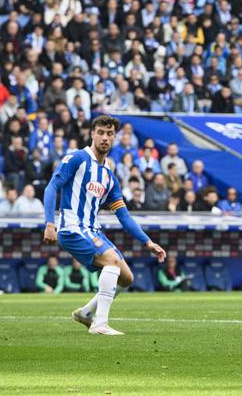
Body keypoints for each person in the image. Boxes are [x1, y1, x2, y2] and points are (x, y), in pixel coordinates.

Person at [43, 115, 166, 335]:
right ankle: (100, 324)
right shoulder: (76, 159)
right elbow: (52, 187)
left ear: (115, 138)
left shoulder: (109, 176)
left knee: (127, 277)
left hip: (93, 230)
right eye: (100, 132)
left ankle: (86, 313)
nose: (105, 138)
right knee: (112, 261)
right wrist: (49, 223)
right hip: (72, 228)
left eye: (110, 134)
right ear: (92, 134)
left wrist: (148, 242)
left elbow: (124, 216)